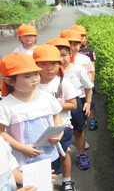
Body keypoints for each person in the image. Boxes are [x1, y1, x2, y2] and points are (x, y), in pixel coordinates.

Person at [0, 53, 63, 173]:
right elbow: (1, 132)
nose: (35, 79)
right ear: (9, 81)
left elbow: (55, 115)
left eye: (36, 74)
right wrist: (22, 148)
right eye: (27, 76)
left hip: (49, 153)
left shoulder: (45, 96)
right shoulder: (6, 105)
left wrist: (59, 133)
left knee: (50, 179)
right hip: (24, 157)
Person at [33, 44, 78, 191]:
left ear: (59, 64)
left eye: (53, 63)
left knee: (64, 155)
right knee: (41, 159)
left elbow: (73, 105)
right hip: (39, 129)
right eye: (43, 64)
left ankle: (67, 180)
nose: (49, 68)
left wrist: (55, 105)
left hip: (62, 126)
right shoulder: (33, 84)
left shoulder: (62, 83)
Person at [48, 37, 94, 170]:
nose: (61, 59)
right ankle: (61, 156)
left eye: (64, 55)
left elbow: (88, 87)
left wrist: (88, 102)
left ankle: (81, 154)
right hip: (57, 109)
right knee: (59, 132)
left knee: (79, 130)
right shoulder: (50, 73)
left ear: (70, 54)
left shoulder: (78, 69)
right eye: (57, 56)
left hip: (76, 104)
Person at [69, 24, 98, 131]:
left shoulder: (89, 52)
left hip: (87, 85)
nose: (80, 38)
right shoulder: (67, 56)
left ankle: (92, 120)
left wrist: (91, 82)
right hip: (75, 90)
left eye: (82, 36)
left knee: (91, 103)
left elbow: (92, 68)